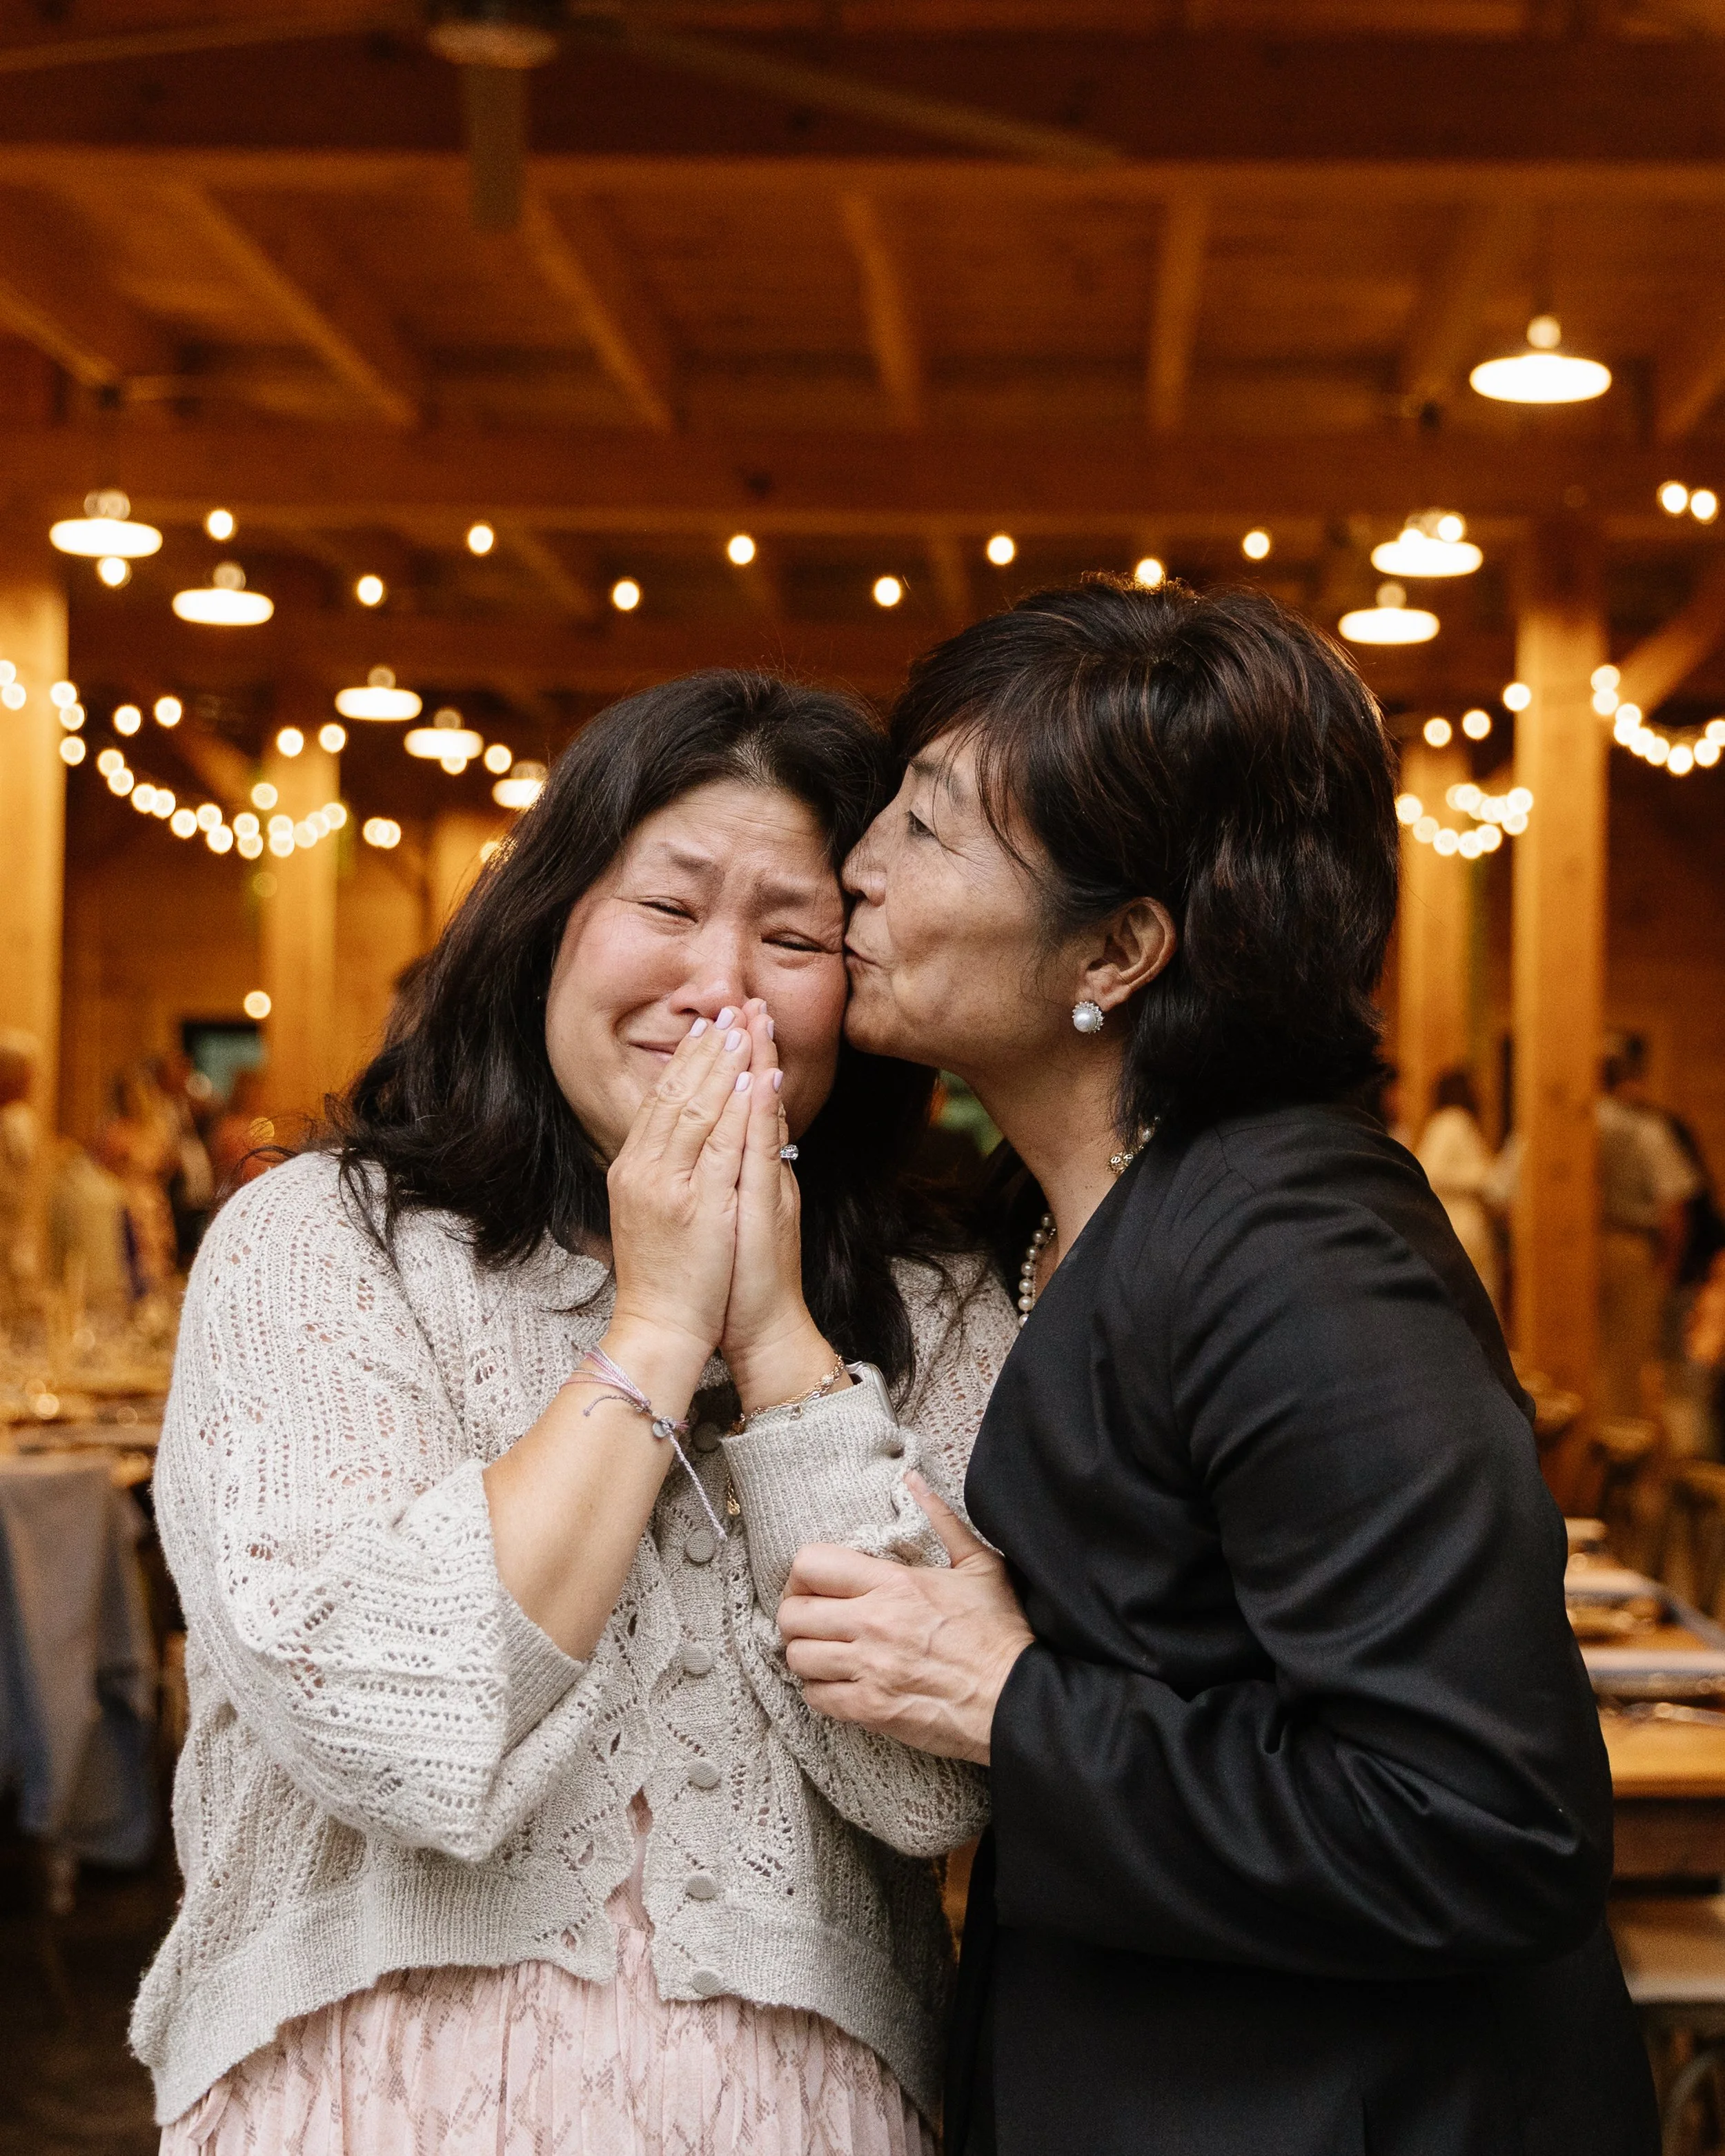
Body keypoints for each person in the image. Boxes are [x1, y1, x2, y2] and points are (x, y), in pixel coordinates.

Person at [777, 580, 1657, 2155]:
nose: (857, 870)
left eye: (924, 828)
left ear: (1119, 946)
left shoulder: (1297, 1258)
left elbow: (1482, 1823)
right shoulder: (1068, 1224)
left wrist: (1008, 1695)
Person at [133, 671, 1016, 2155]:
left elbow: (923, 1779)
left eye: (792, 934)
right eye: (666, 907)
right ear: (547, 922)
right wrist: (659, 1326)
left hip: (799, 2111)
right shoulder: (318, 1244)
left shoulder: (935, 1306)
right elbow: (386, 1713)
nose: (720, 980)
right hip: (357, 2097)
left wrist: (778, 1335)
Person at [1597, 1038, 1699, 1420]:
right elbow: (1674, 1207)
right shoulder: (1647, 1129)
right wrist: (1669, 1267)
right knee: (1627, 1363)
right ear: (1632, 1079)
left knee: (1581, 1355)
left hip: (1575, 1248)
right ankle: (1622, 1461)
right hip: (1632, 1248)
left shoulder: (1571, 1125)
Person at [1416, 1065, 1512, 1316]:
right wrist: (1481, 1178)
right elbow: (1430, 1171)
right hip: (1460, 1223)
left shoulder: (1450, 1122)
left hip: (1459, 1223)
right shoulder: (1453, 1121)